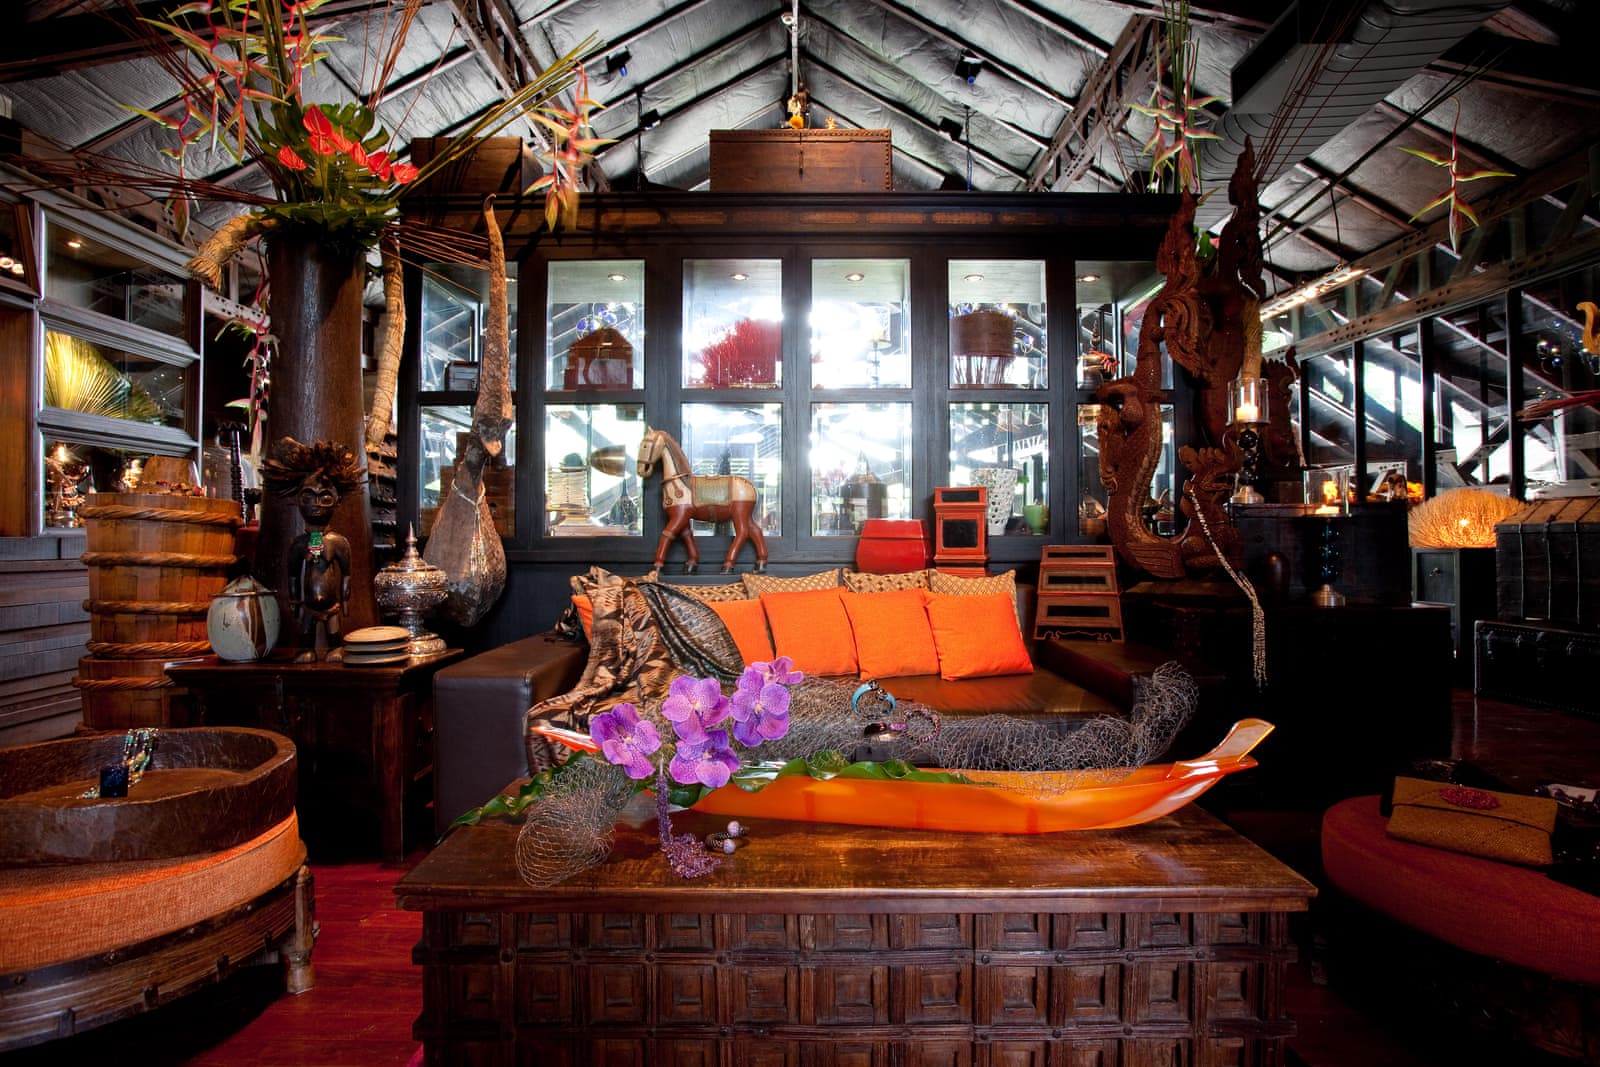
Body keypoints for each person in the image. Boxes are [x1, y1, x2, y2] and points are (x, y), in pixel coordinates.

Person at [259, 437, 364, 661]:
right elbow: (293, 575)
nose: (316, 505)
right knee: (306, 633)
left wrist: (345, 600)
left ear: (336, 500)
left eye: (324, 498)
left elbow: (346, 573)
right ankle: (306, 649)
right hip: (307, 606)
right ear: (297, 499)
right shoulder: (299, 544)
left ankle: (335, 648)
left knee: (334, 632)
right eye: (308, 497)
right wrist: (295, 601)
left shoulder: (338, 542)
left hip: (332, 606)